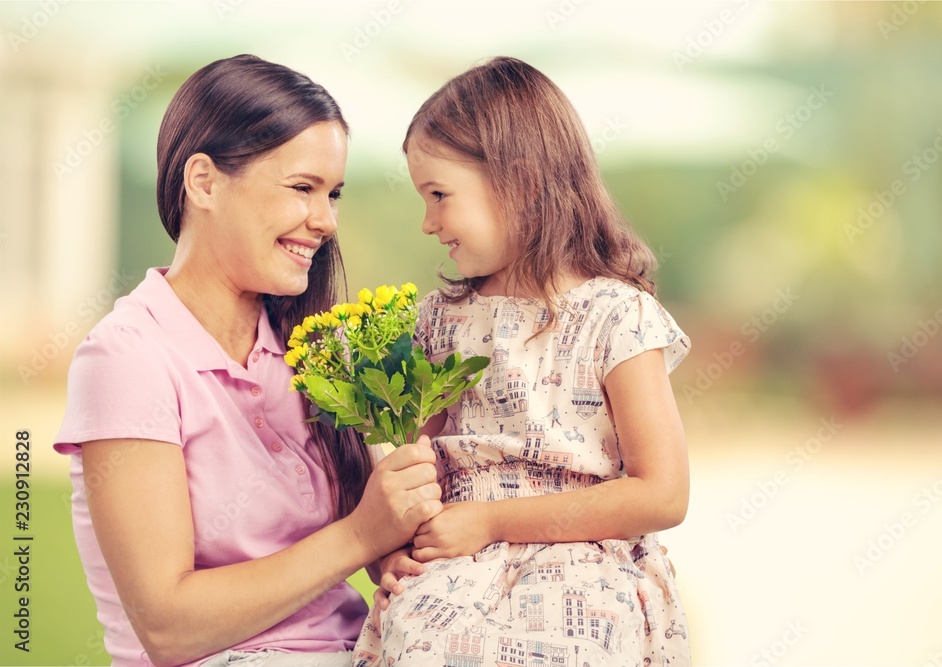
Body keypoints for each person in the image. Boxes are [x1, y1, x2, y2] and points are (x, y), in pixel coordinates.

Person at [54, 54, 442, 667]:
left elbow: (374, 543)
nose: (325, 221)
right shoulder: (127, 357)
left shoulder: (315, 354)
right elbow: (168, 626)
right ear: (204, 182)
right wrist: (362, 533)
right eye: (302, 188)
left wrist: (392, 546)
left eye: (334, 193)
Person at [351, 57, 692, 666]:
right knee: (423, 642)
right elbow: (413, 473)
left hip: (584, 561)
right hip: (455, 564)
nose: (427, 223)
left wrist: (492, 521)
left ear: (522, 185)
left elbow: (662, 493)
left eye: (439, 196)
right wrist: (389, 550)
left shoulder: (616, 316)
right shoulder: (439, 322)